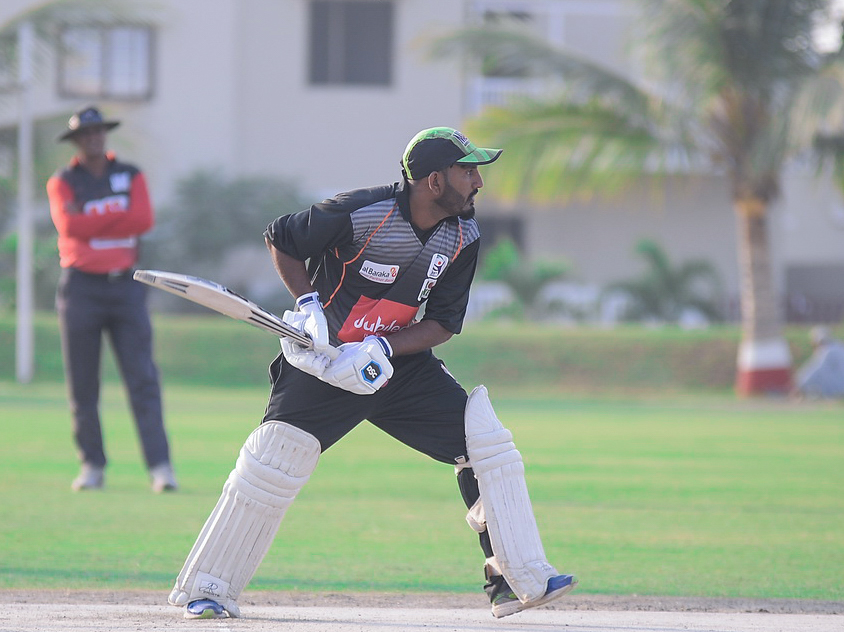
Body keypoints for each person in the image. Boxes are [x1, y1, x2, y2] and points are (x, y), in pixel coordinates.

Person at [166, 127, 577, 620]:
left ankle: (514, 579)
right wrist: (308, 304)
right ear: (433, 180)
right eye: (467, 171)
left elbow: (443, 323)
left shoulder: (464, 234)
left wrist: (382, 346)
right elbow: (282, 238)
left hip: (398, 369)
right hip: (323, 364)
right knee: (273, 461)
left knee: (484, 442)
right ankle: (208, 588)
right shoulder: (362, 211)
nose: (478, 182)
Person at [46, 106, 177, 493]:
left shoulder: (130, 174)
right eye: (86, 133)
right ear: (76, 140)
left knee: (142, 379)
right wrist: (116, 216)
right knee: (83, 384)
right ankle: (92, 465)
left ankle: (160, 467)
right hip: (81, 288)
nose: (93, 138)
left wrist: (91, 220)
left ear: (105, 135)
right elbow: (69, 226)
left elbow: (142, 220)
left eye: (98, 131)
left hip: (125, 286)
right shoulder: (64, 181)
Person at [792, 326, 844, 399]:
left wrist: (799, 383)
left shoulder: (827, 351)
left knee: (817, 378)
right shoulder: (839, 346)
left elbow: (815, 369)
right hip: (840, 384)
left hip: (837, 389)